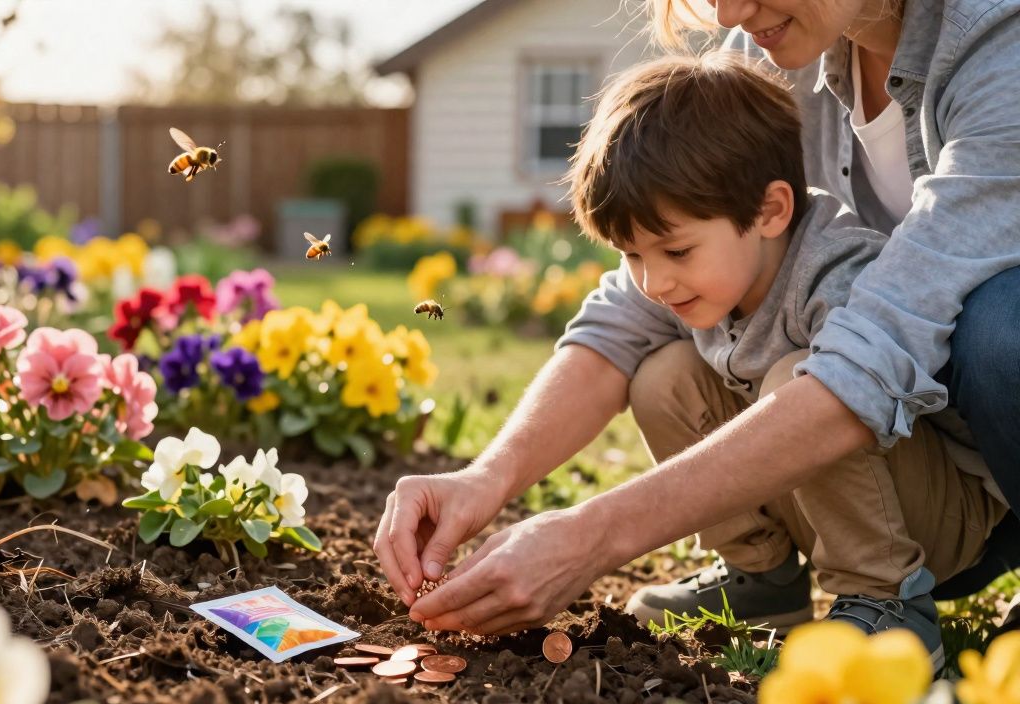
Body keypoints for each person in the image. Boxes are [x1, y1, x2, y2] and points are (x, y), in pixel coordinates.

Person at [374, 0, 1020, 652]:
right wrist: (484, 479)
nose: (731, 14)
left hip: (960, 498)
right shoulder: (767, 54)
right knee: (664, 376)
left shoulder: (997, 41)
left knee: (976, 336)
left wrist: (591, 536)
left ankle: (888, 605)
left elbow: (856, 376)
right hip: (878, 466)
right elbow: (622, 320)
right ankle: (763, 578)